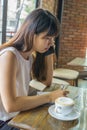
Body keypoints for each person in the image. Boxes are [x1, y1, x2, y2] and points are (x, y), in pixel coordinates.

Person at [0, 8, 69, 130]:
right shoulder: (10, 56)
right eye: (47, 38)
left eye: (52, 39)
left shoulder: (29, 57)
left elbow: (45, 82)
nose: (51, 43)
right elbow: (10, 105)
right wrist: (50, 97)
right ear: (32, 33)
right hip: (6, 121)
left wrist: (48, 51)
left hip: (18, 115)